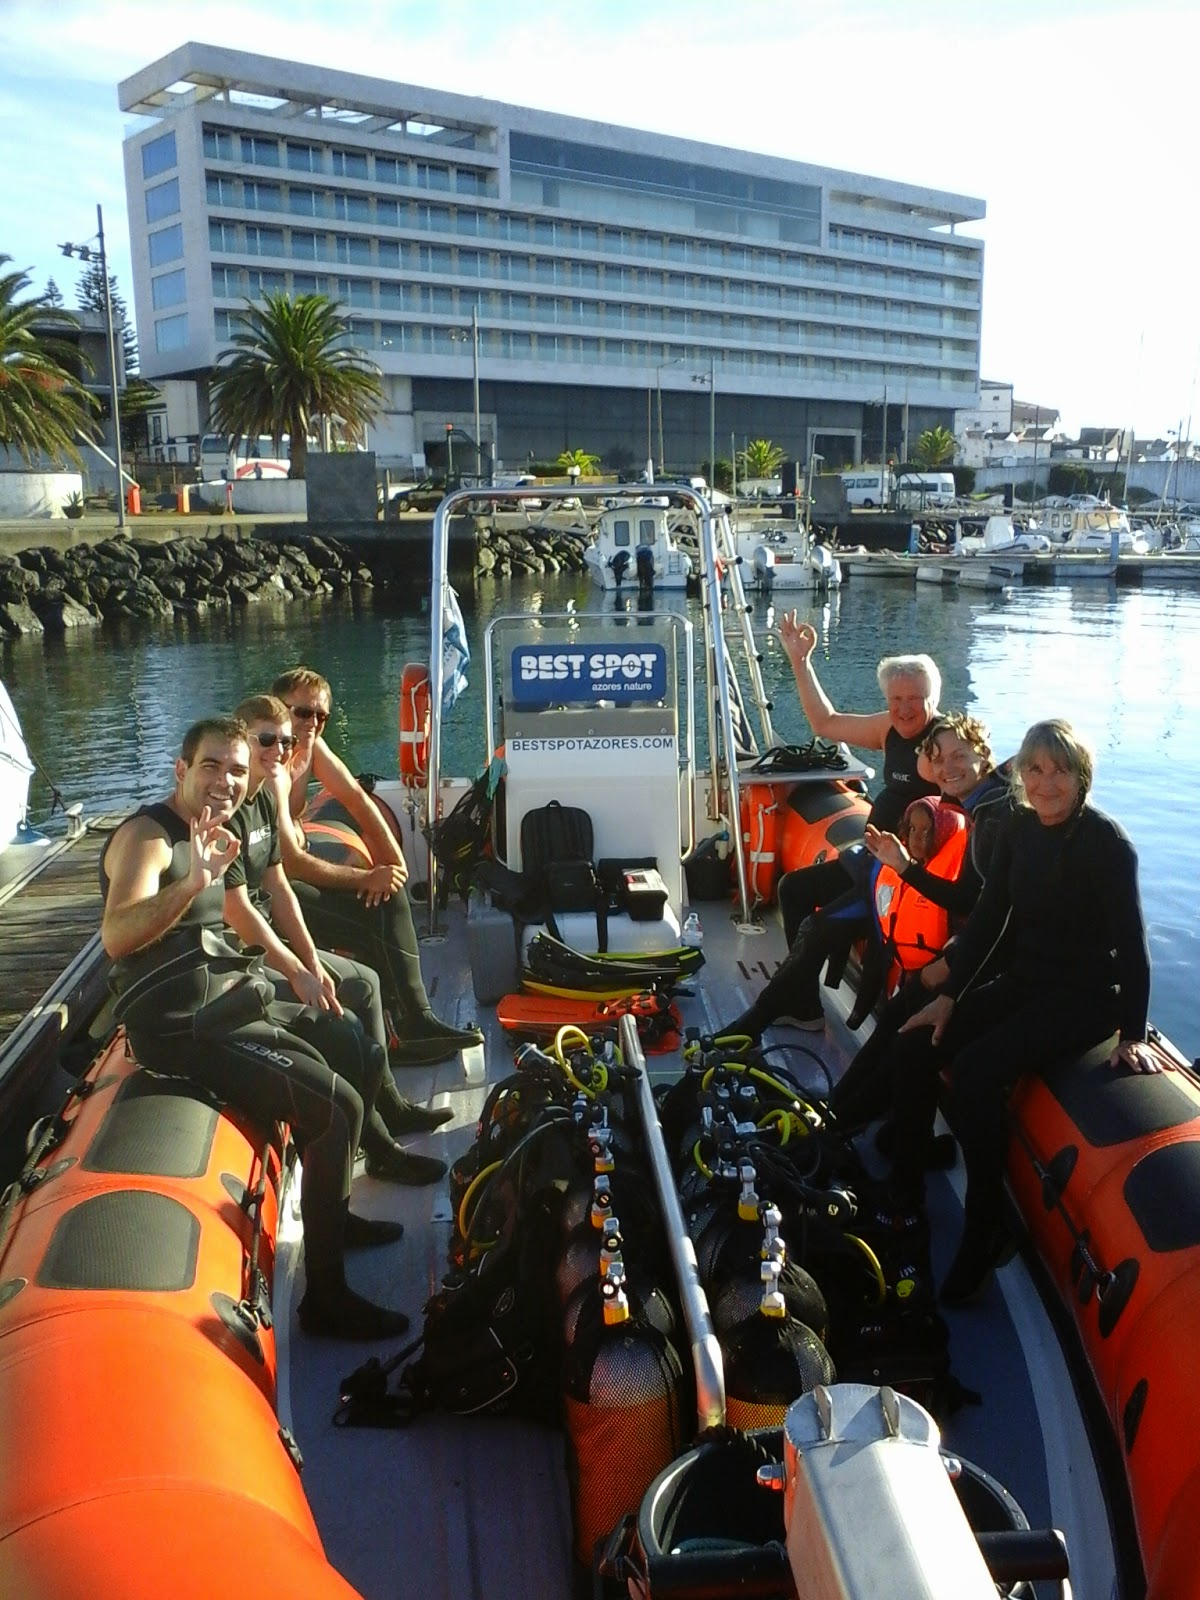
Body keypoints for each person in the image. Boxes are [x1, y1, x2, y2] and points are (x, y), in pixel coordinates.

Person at [99, 717, 409, 1340]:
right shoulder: (149, 837)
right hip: (182, 1028)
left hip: (225, 1002)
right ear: (181, 770)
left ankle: (336, 1217)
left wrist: (298, 968)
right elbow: (116, 935)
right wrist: (193, 882)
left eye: (237, 770)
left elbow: (249, 903)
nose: (226, 780)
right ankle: (325, 1300)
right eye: (211, 766)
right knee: (336, 1110)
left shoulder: (217, 830)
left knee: (350, 1047)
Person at [891, 719, 1160, 1305]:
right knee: (916, 1043)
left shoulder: (1107, 844)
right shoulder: (1018, 828)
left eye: (1061, 770)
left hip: (1086, 997)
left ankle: (985, 1226)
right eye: (1035, 769)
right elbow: (989, 919)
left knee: (977, 1068)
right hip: (1028, 980)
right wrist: (950, 995)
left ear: (1081, 777)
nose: (1046, 783)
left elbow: (1133, 950)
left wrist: (1133, 1034)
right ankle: (904, 1193)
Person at [224, 695, 450, 1185]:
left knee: (365, 984)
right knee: (344, 1032)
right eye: (268, 740)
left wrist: (311, 959)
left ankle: (390, 1108)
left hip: (268, 938)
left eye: (285, 742)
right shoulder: (227, 810)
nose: (280, 749)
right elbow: (239, 912)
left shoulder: (263, 798)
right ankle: (378, 1148)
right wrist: (298, 971)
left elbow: (277, 886)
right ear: (240, 739)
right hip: (237, 959)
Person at [270, 666, 483, 1066]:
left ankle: (413, 1021)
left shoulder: (310, 748)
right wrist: (368, 876)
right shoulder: (270, 767)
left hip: (289, 872)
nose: (312, 722)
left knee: (388, 892)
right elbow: (292, 864)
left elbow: (356, 799)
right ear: (277, 709)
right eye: (303, 713)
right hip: (270, 892)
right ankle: (399, 1034)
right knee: (374, 907)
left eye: (321, 716)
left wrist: (395, 863)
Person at [830, 713, 1017, 1130]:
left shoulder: (1000, 817)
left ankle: (837, 1124)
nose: (947, 767)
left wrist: (952, 966)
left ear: (983, 755)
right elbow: (968, 898)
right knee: (897, 1016)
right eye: (938, 758)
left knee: (906, 1034)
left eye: (959, 756)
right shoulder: (983, 809)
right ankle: (836, 1114)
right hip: (975, 950)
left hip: (996, 962)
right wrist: (904, 866)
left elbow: (1002, 916)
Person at [720, 794, 964, 1042]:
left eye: (926, 831)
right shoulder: (902, 846)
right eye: (913, 829)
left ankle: (752, 1024)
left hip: (900, 923)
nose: (918, 836)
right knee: (793, 889)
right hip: (876, 873)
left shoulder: (956, 862)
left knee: (816, 929)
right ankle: (800, 1005)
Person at [774, 619, 942, 957]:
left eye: (915, 698)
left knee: (819, 928)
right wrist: (800, 662)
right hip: (870, 859)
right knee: (792, 888)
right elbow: (825, 723)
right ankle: (802, 985)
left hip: (905, 873)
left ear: (933, 699)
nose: (904, 708)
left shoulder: (945, 742)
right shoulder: (888, 727)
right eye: (896, 698)